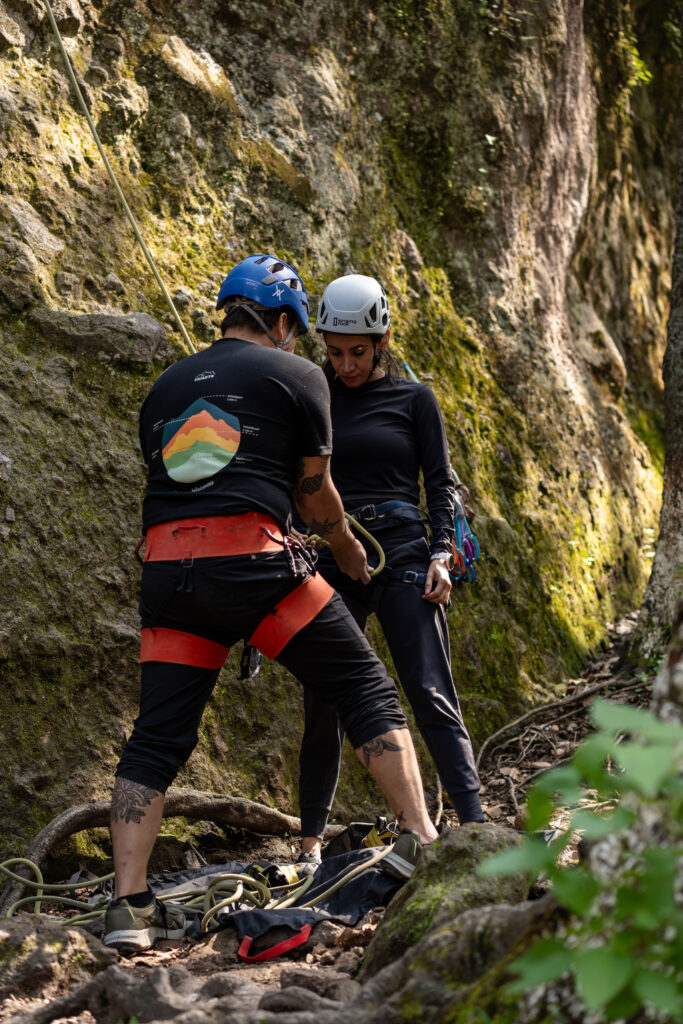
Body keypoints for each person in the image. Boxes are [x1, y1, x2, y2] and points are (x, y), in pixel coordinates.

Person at [102, 255, 438, 953]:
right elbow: (312, 492)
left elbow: (177, 478)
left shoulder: (163, 388)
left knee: (156, 737)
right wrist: (346, 548)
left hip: (168, 574)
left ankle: (126, 907)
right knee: (362, 685)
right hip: (255, 565)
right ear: (284, 322)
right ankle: (422, 838)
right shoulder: (299, 375)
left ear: (227, 313)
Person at [297, 273, 484, 868]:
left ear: (381, 343)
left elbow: (441, 483)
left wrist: (440, 554)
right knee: (323, 700)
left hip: (402, 551)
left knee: (429, 686)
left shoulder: (414, 399)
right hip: (332, 552)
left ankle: (475, 824)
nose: (346, 364)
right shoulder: (312, 398)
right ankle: (309, 841)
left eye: (358, 352)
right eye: (333, 352)